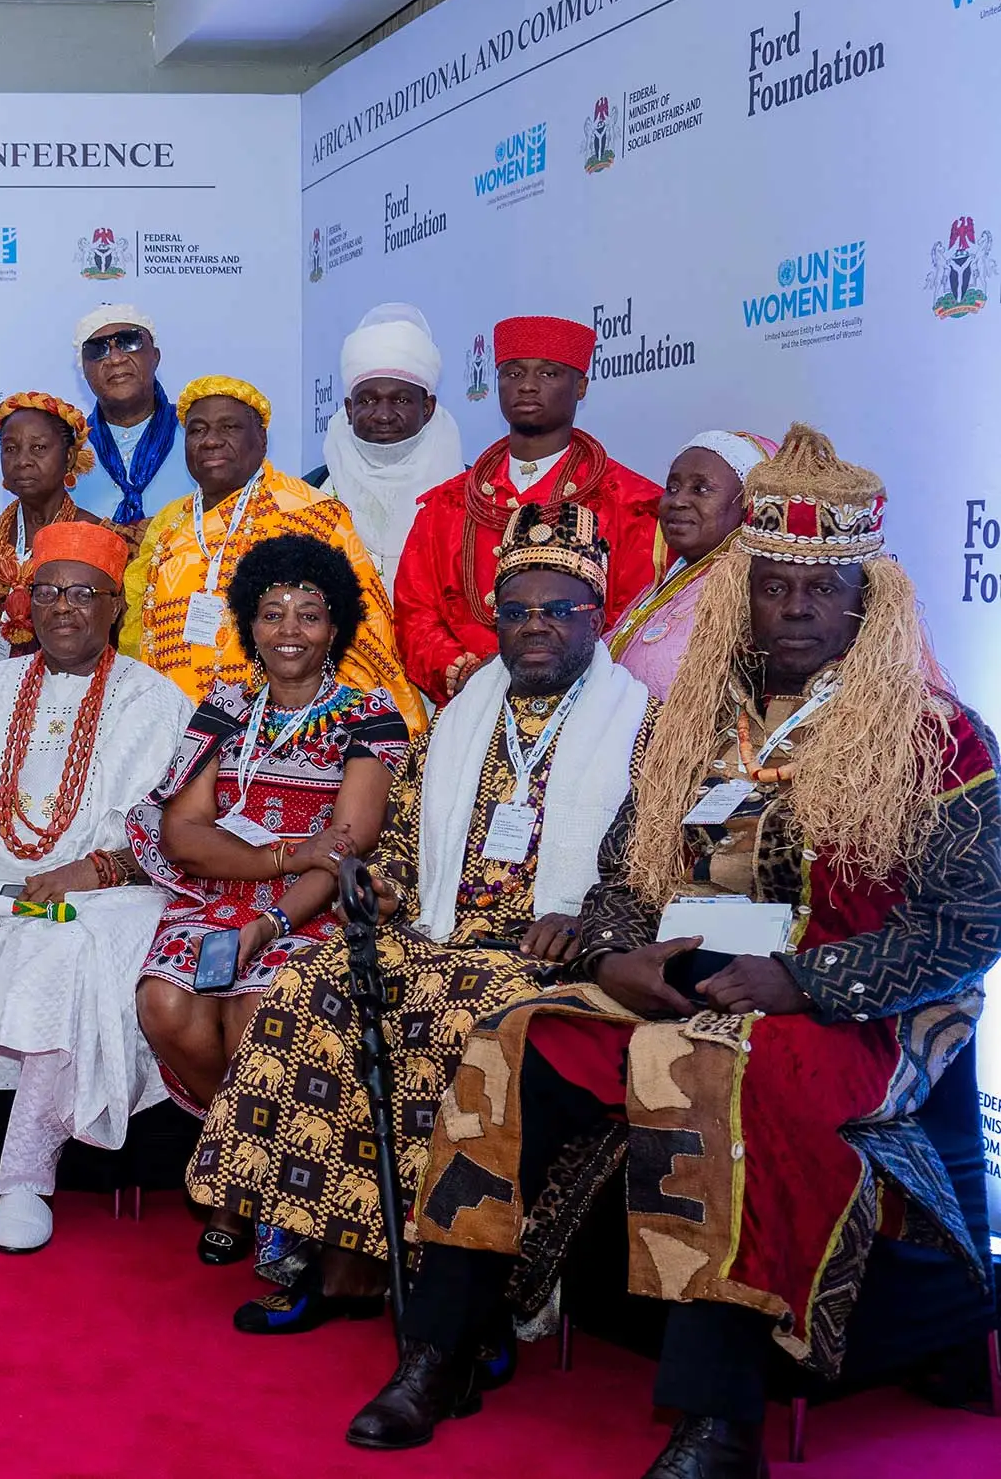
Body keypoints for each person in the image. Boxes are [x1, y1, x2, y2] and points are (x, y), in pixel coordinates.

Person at [367, 429, 1000, 1476]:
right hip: (680, 976)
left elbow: (967, 928)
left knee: (699, 1066)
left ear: (865, 599)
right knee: (510, 1042)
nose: (792, 609)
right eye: (770, 588)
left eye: (818, 588)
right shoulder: (691, 725)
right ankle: (444, 1343)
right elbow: (626, 874)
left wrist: (799, 979)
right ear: (740, 596)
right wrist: (614, 956)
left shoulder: (940, 736)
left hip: (846, 1006)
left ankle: (719, 1418)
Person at [188, 502, 653, 1336]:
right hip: (436, 932)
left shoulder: (642, 725)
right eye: (515, 612)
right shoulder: (460, 717)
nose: (534, 627)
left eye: (557, 610)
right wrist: (385, 889)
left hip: (544, 956)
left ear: (597, 616)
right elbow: (399, 842)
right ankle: (335, 1254)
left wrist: (584, 919)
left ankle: (464, 1295)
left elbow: (647, 868)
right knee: (308, 984)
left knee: (460, 1017)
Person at [0, 522, 192, 1253]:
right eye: (46, 591)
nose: (64, 608)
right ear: (26, 602)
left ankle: (23, 1178)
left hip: (104, 896)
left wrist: (95, 869)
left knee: (65, 948)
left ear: (116, 604)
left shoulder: (157, 701)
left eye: (84, 593)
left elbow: (177, 834)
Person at [128, 535, 409, 1127]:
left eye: (309, 616)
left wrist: (270, 921)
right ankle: (233, 1149)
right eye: (272, 614)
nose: (289, 631)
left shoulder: (369, 716)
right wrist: (288, 853)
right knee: (164, 1002)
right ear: (250, 627)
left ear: (335, 628)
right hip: (215, 901)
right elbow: (182, 836)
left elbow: (344, 849)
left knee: (260, 1008)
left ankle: (239, 1194)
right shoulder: (225, 709)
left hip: (314, 913)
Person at [121, 376, 422, 728]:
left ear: (262, 439)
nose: (211, 441)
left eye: (229, 427)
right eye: (197, 430)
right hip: (173, 729)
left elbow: (362, 637)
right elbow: (137, 636)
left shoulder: (311, 515)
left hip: (281, 735)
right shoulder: (171, 523)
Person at [393, 316, 661, 705]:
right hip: (466, 709)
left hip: (586, 712)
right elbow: (415, 614)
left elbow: (633, 621)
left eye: (549, 373)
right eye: (513, 372)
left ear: (581, 386)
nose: (528, 385)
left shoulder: (629, 504)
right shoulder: (447, 506)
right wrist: (464, 671)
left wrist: (546, 675)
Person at [0, 393, 113, 679]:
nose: (22, 460)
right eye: (10, 449)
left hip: (73, 694)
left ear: (69, 457)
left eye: (38, 448)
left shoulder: (96, 538)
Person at [305, 304, 466, 584]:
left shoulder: (470, 490)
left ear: (427, 408)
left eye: (401, 400)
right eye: (367, 400)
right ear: (349, 409)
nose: (383, 415)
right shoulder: (312, 492)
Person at [604, 430, 772, 698]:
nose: (678, 501)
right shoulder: (666, 584)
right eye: (672, 488)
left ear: (748, 505)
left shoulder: (751, 598)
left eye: (701, 489)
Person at [66, 303, 193, 539]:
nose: (115, 358)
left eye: (128, 341)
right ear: (83, 369)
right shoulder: (66, 448)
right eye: (97, 349)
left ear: (155, 356)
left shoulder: (197, 434)